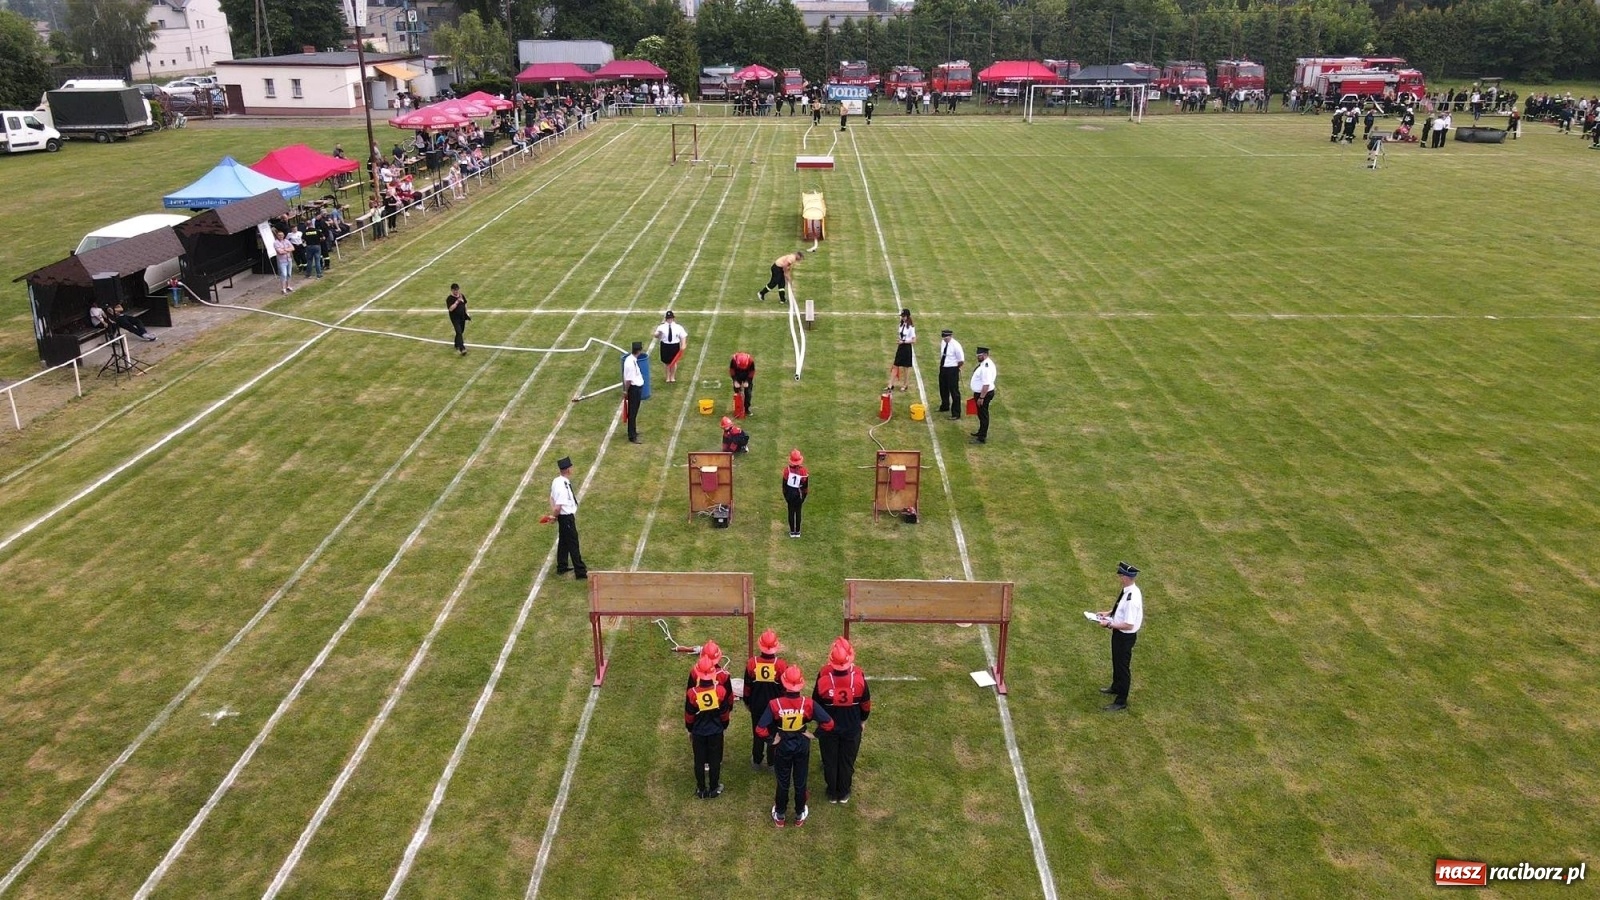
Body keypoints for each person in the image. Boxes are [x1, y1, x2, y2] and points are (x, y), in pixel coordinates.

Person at [755, 665, 833, 827]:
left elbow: (760, 729)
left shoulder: (774, 704)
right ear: (801, 684)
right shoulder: (808, 704)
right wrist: (814, 734)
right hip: (801, 744)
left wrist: (771, 740)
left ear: (784, 684)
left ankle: (780, 815)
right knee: (800, 780)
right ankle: (799, 814)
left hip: (782, 745)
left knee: (783, 781)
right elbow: (829, 723)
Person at [814, 637, 870, 804]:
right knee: (846, 761)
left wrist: (820, 722)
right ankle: (844, 793)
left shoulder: (823, 677)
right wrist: (862, 720)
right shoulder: (859, 678)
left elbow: (816, 704)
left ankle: (832, 793)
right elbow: (866, 704)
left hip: (828, 727)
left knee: (830, 761)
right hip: (852, 727)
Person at [1095, 562, 1144, 711]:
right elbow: (1120, 606)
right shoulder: (1128, 590)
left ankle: (1121, 701)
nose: (1119, 577)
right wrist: (1109, 613)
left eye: (1121, 575)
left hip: (1124, 637)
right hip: (1119, 635)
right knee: (1117, 661)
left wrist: (1108, 624)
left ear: (1126, 577)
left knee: (1122, 667)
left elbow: (1128, 624)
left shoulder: (1132, 598)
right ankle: (1116, 687)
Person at [684, 657, 733, 799]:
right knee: (715, 760)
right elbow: (724, 713)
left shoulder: (692, 693)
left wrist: (690, 729)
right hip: (716, 730)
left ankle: (701, 789)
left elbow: (689, 715)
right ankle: (714, 788)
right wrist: (723, 726)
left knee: (699, 760)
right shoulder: (721, 691)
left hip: (698, 731)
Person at [742, 629, 789, 770]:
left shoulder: (752, 663)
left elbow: (747, 687)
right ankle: (772, 762)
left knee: (757, 731)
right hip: (775, 707)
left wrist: (747, 702)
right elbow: (784, 688)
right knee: (774, 733)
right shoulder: (781, 665)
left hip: (756, 705)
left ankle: (757, 760)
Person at [549, 456, 586, 579]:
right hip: (567, 518)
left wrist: (554, 515)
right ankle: (580, 571)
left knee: (564, 542)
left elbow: (552, 498)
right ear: (569, 469)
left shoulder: (557, 481)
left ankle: (562, 566)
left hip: (563, 517)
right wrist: (554, 515)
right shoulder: (562, 486)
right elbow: (558, 506)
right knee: (573, 543)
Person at [969, 346, 997, 444]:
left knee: (983, 415)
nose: (978, 357)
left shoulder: (986, 367)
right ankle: (981, 432)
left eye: (979, 356)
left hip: (983, 394)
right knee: (981, 414)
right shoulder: (984, 363)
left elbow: (986, 384)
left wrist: (981, 397)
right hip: (982, 393)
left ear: (985, 355)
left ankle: (982, 437)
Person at [936, 329, 965, 418]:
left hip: (952, 369)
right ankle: (945, 406)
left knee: (954, 391)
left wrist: (956, 368)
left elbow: (961, 360)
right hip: (943, 367)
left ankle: (956, 413)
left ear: (951, 336)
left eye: (946, 337)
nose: (945, 339)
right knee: (943, 388)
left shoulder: (956, 346)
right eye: (944, 337)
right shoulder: (943, 342)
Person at [886, 308, 916, 392]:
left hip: (906, 347)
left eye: (904, 316)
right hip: (901, 347)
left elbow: (914, 340)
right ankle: (890, 384)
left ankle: (905, 384)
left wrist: (903, 341)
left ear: (907, 316)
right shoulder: (901, 324)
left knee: (906, 367)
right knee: (895, 365)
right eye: (902, 316)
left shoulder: (911, 327)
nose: (902, 318)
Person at [652, 310, 686, 383]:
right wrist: (658, 334)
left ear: (673, 318)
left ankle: (672, 376)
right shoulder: (661, 327)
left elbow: (683, 336)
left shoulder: (678, 327)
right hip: (665, 345)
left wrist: (683, 344)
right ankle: (667, 377)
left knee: (674, 362)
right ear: (666, 319)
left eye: (670, 318)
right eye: (668, 318)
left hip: (674, 345)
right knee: (666, 362)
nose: (669, 320)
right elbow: (656, 335)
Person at [781, 449, 809, 538]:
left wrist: (786, 496)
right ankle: (798, 532)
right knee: (798, 512)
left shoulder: (787, 470)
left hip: (789, 495)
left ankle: (792, 532)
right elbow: (805, 486)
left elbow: (784, 485)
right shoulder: (803, 471)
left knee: (791, 512)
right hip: (799, 495)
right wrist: (804, 497)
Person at [623, 341, 646, 444]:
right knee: (632, 412)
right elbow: (628, 380)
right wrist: (625, 390)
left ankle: (633, 432)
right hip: (634, 389)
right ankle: (632, 436)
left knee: (634, 412)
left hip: (636, 388)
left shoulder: (631, 359)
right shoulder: (630, 363)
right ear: (639, 351)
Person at [445, 283, 470, 356]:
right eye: (455, 290)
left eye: (457, 290)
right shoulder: (449, 299)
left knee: (461, 331)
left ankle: (456, 344)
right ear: (452, 290)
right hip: (455, 318)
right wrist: (457, 302)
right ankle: (462, 348)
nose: (457, 292)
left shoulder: (461, 295)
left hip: (462, 316)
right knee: (459, 331)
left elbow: (465, 304)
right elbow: (450, 309)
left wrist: (466, 313)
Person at [729, 351, 755, 416]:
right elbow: (732, 370)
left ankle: (746, 409)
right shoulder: (734, 360)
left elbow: (752, 372)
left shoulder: (751, 361)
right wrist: (735, 381)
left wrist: (747, 381)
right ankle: (738, 408)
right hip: (737, 374)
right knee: (737, 392)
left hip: (747, 375)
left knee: (748, 392)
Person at [272, 228, 295, 294]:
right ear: (277, 236)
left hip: (289, 259)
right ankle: (283, 288)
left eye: (282, 235)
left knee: (289, 274)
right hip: (282, 261)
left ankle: (289, 286)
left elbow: (293, 248)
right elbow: (280, 252)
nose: (281, 236)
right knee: (284, 274)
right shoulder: (276, 243)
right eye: (279, 235)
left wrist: (285, 249)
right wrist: (288, 250)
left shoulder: (286, 241)